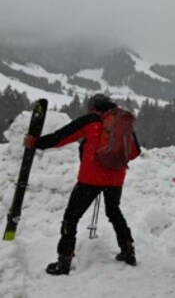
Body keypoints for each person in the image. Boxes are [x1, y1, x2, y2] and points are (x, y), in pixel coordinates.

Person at [23, 93, 141, 275]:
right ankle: (128, 249)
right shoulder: (122, 123)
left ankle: (64, 261)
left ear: (93, 108)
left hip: (90, 179)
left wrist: (36, 143)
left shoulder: (91, 120)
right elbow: (135, 152)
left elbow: (61, 137)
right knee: (114, 212)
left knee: (71, 217)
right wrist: (111, 156)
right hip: (116, 178)